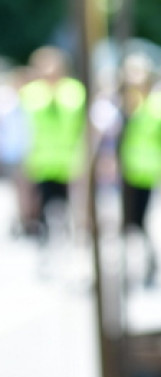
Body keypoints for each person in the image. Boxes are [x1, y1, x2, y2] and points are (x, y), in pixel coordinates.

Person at [118, 54, 161, 287]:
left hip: (155, 174)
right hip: (130, 172)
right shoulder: (125, 103)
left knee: (151, 222)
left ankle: (152, 263)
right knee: (133, 222)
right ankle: (141, 264)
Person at [17, 46, 87, 243]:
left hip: (69, 160)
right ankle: (43, 239)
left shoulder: (74, 91)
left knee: (69, 206)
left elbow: (81, 126)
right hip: (40, 161)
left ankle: (70, 239)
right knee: (42, 206)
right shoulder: (31, 93)